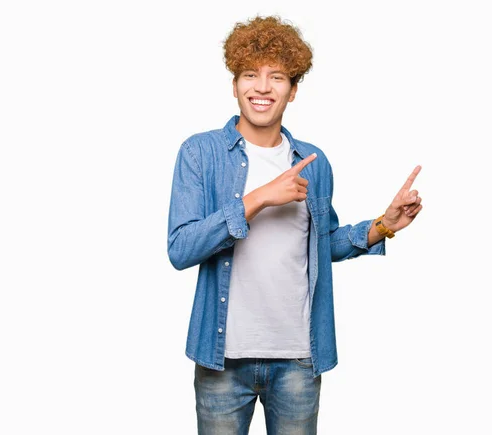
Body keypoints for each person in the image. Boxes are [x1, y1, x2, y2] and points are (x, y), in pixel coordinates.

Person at [167, 15, 423, 435]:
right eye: (250, 75)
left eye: (277, 77)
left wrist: (382, 225)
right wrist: (259, 198)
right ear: (234, 85)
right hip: (222, 360)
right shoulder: (200, 153)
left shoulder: (312, 162)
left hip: (299, 360)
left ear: (293, 89)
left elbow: (322, 245)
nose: (262, 88)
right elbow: (181, 248)